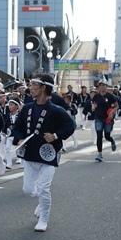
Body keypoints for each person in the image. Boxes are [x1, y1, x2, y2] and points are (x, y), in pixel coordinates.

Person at [12, 74, 76, 231]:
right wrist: (19, 138)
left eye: (34, 84)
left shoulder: (56, 110)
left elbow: (70, 126)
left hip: (48, 154)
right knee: (28, 190)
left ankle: (44, 220)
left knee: (43, 188)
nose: (30, 87)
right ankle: (42, 200)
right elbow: (18, 127)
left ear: (43, 88)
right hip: (30, 154)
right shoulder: (27, 108)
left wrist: (55, 135)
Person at [91, 80, 119, 162]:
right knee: (99, 135)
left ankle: (112, 140)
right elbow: (94, 103)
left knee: (107, 135)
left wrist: (112, 112)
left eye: (103, 85)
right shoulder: (96, 96)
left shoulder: (110, 96)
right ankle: (99, 154)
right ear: (98, 87)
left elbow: (117, 106)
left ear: (106, 86)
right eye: (100, 85)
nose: (102, 87)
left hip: (107, 119)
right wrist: (93, 106)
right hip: (98, 118)